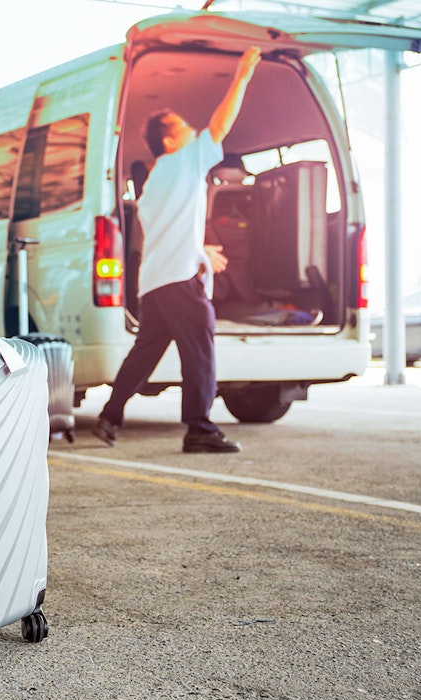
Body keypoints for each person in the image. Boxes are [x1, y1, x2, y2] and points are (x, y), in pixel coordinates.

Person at [93, 47, 260, 454]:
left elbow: (170, 231)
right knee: (200, 351)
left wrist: (200, 250)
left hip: (157, 282)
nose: (191, 128)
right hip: (179, 282)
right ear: (170, 139)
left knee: (146, 352)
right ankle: (199, 429)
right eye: (182, 125)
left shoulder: (155, 182)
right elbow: (219, 127)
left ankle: (110, 414)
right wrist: (242, 75)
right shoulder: (183, 160)